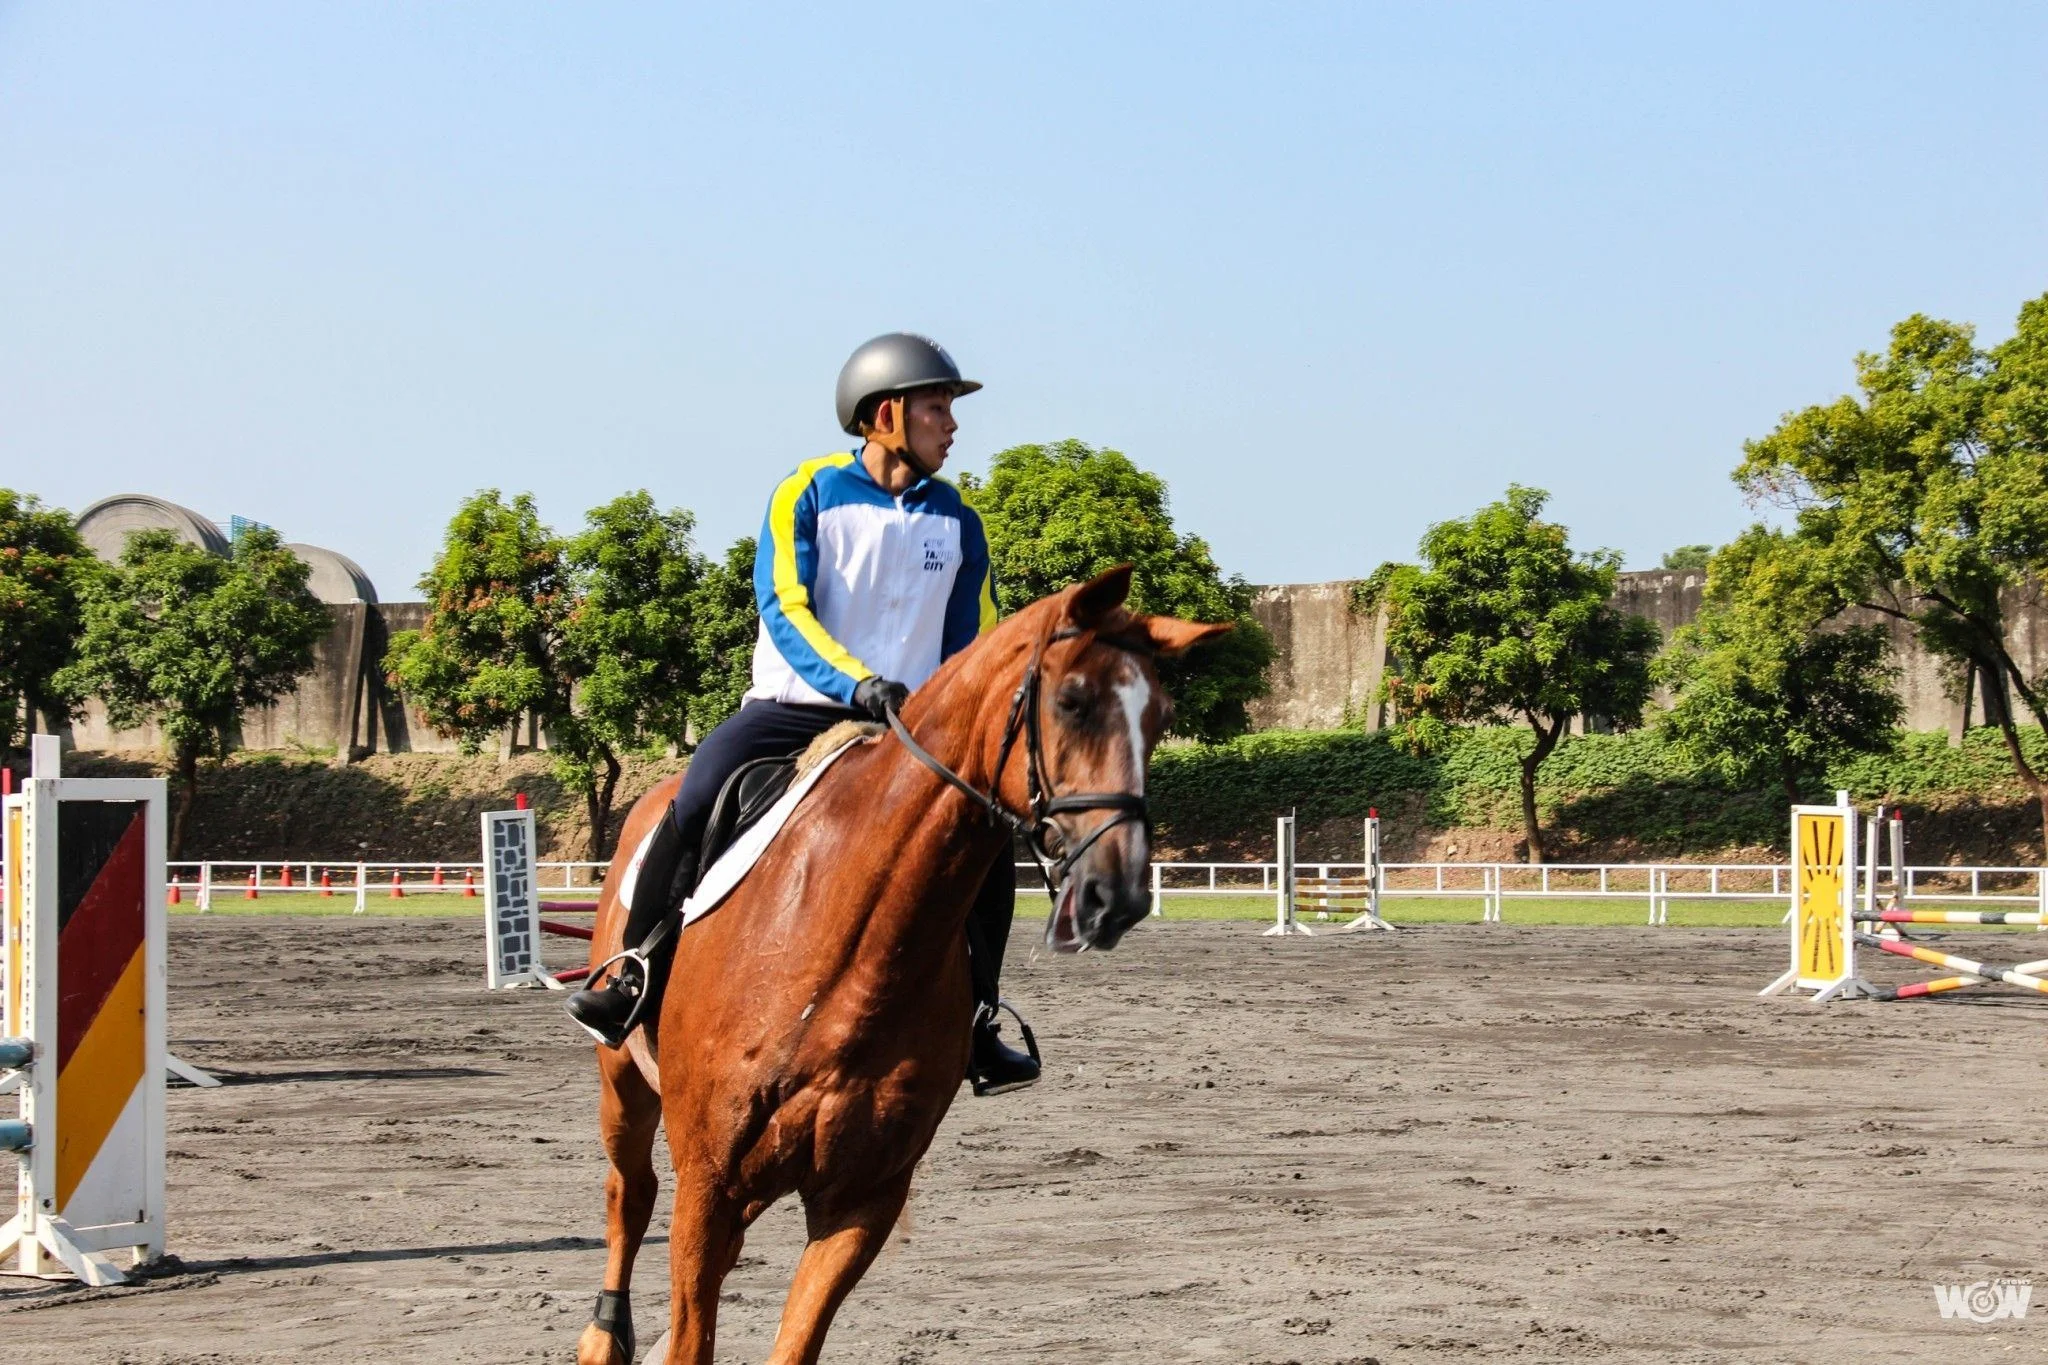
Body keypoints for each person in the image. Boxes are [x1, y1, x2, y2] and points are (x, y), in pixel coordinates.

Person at [565, 332, 1041, 1096]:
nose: (951, 425)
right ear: (885, 414)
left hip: (909, 730)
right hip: (799, 707)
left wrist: (943, 709)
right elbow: (785, 606)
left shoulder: (959, 522)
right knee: (696, 794)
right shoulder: (808, 492)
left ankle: (980, 1016)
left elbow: (970, 641)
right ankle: (638, 966)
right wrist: (857, 685)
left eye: (950, 409)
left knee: (984, 841)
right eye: (936, 407)